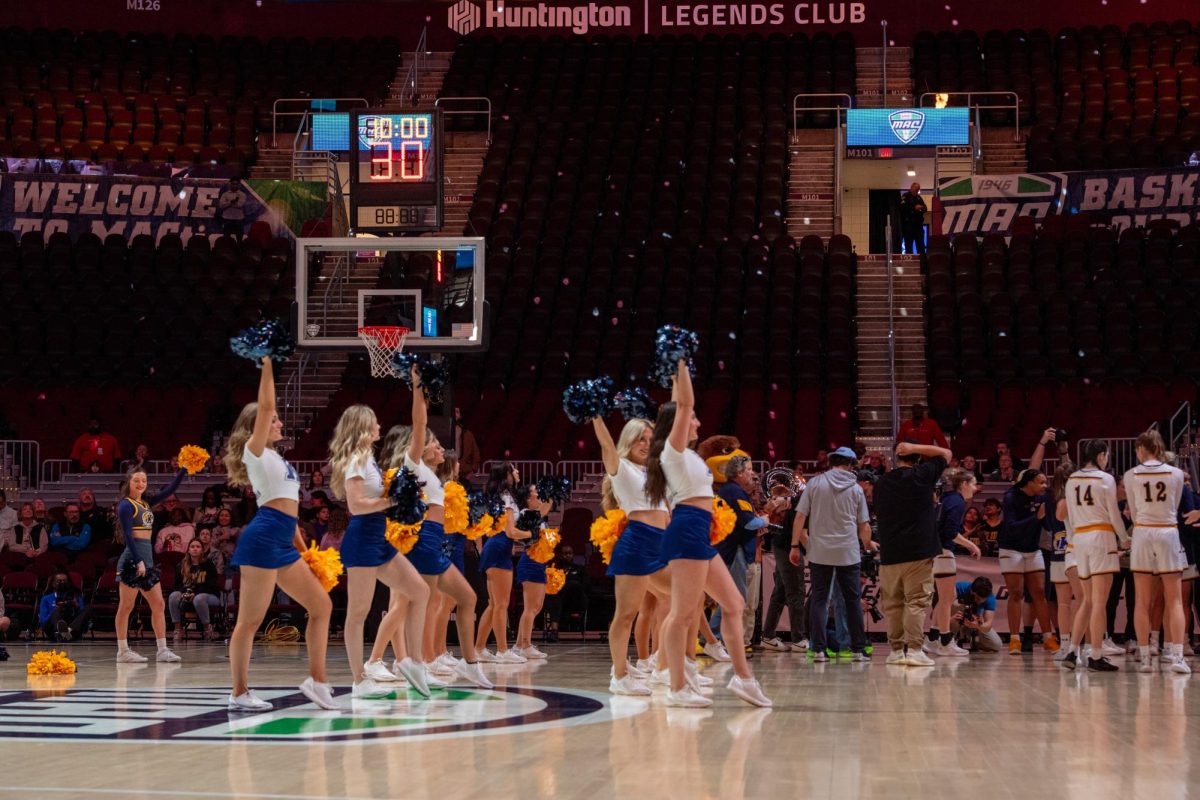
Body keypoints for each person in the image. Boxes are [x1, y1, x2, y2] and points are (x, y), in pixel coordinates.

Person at [645, 359, 771, 708]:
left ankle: (744, 680)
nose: (697, 421)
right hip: (686, 531)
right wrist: (682, 362)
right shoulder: (671, 453)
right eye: (693, 419)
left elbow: (677, 404)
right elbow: (682, 404)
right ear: (677, 426)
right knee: (682, 614)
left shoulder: (684, 455)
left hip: (699, 532)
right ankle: (676, 686)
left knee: (734, 604)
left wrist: (673, 373)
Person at [223, 357, 336, 711]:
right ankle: (239, 692)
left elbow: (290, 514)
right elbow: (268, 403)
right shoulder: (253, 451)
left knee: (321, 605)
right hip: (261, 539)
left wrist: (305, 550)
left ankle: (317, 682)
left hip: (284, 539)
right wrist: (269, 364)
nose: (278, 421)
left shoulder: (277, 458)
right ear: (256, 425)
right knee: (250, 621)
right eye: (272, 419)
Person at [383, 371, 493, 689]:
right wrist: (418, 389)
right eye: (433, 443)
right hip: (425, 539)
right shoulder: (414, 465)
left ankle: (466, 663)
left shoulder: (432, 475)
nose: (438, 446)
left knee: (467, 597)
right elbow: (419, 425)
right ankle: (418, 663)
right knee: (422, 603)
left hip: (434, 540)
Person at [330, 404, 432, 699]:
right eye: (374, 421)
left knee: (420, 591)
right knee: (358, 613)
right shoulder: (356, 460)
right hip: (362, 539)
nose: (379, 425)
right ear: (363, 426)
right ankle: (359, 680)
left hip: (378, 538)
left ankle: (412, 662)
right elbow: (356, 505)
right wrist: (392, 501)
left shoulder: (369, 459)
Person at [591, 415, 671, 694]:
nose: (646, 444)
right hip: (636, 544)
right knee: (626, 614)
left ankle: (664, 666)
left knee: (682, 599)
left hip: (662, 546)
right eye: (641, 438)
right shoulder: (621, 467)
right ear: (629, 440)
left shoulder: (654, 472)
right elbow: (605, 444)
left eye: (650, 440)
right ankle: (620, 676)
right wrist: (596, 415)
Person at [791, 446, 874, 664]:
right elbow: (863, 525)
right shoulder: (856, 490)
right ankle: (857, 650)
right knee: (852, 601)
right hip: (848, 552)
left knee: (819, 600)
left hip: (820, 551)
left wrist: (793, 545)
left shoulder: (815, 483)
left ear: (831, 462)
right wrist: (867, 544)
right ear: (850, 465)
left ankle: (818, 650)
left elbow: (800, 517)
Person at [872, 441, 953, 666]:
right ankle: (915, 649)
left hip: (889, 552)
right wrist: (917, 446)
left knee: (893, 604)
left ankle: (896, 651)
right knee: (916, 602)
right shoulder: (922, 475)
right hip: (918, 551)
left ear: (896, 460)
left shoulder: (881, 483)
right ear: (917, 459)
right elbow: (946, 453)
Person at [1124, 430, 1192, 674]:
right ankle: (1177, 656)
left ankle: (1144, 658)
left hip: (1142, 532)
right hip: (1167, 531)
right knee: (1174, 599)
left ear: (1142, 448)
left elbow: (1132, 508)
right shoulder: (1176, 473)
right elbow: (1174, 506)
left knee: (1142, 600)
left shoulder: (1130, 474)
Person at [1059, 440, 1128, 672]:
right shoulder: (1105, 478)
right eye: (1106, 455)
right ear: (1100, 455)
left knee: (1086, 601)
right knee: (1099, 601)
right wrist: (1124, 538)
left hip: (1079, 539)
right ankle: (1096, 655)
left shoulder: (1072, 480)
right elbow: (1114, 514)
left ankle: (1072, 650)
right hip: (1101, 536)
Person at [114, 463, 187, 664]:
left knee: (158, 604)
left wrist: (184, 469)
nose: (140, 484)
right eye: (136, 480)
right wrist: (138, 560)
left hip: (147, 559)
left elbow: (170, 490)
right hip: (133, 559)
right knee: (126, 606)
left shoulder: (147, 503)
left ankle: (162, 650)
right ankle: (123, 651)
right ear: (129, 482)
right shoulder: (125, 505)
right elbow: (128, 536)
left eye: (144, 481)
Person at [999, 429, 1060, 654]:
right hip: (1011, 548)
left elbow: (1043, 521)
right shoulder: (1011, 497)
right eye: (1041, 482)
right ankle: (1014, 639)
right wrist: (1037, 518)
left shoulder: (1040, 497)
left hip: (1032, 549)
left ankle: (1047, 637)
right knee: (1015, 593)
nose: (1045, 486)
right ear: (1029, 482)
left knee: (1039, 594)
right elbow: (1012, 527)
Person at [713, 457, 778, 649]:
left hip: (734, 548)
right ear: (739, 473)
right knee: (736, 598)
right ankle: (717, 637)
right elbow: (749, 522)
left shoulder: (732, 491)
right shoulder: (735, 492)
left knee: (733, 597)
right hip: (735, 549)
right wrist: (765, 520)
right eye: (749, 469)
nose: (752, 473)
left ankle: (714, 635)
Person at [475, 463, 531, 663]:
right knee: (501, 604)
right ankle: (502, 650)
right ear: (506, 475)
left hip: (497, 548)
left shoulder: (505, 496)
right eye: (513, 470)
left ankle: (479, 649)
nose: (517, 472)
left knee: (494, 604)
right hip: (499, 548)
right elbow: (510, 532)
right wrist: (531, 534)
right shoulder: (506, 497)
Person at [926, 467, 982, 656]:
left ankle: (933, 639)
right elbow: (950, 531)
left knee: (945, 598)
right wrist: (971, 545)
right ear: (964, 484)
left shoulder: (948, 498)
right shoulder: (957, 502)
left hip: (935, 549)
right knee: (947, 598)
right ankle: (945, 641)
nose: (975, 488)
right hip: (942, 551)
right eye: (973, 484)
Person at [760, 484, 809, 653]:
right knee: (796, 591)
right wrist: (815, 553)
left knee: (780, 592)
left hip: (781, 545)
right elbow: (802, 534)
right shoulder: (805, 500)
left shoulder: (799, 499)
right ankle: (798, 639)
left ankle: (768, 636)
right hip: (789, 548)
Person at [513, 485, 554, 660]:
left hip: (540, 563)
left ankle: (519, 645)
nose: (539, 497)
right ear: (528, 499)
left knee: (536, 607)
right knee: (531, 608)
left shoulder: (538, 516)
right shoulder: (525, 514)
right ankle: (526, 645)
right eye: (535, 495)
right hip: (530, 562)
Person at [169, 539, 222, 643]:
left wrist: (195, 593)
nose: (195, 549)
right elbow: (177, 585)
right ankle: (178, 629)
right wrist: (184, 593)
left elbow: (211, 585)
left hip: (210, 596)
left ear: (202, 550)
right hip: (188, 595)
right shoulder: (182, 565)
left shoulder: (208, 565)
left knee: (199, 598)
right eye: (192, 547)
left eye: (198, 547)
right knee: (173, 596)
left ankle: (207, 629)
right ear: (188, 550)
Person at [38, 572, 91, 642]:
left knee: (88, 608)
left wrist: (77, 606)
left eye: (65, 581)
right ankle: (62, 633)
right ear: (53, 583)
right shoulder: (46, 598)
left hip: (73, 631)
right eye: (59, 581)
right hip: (54, 630)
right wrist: (55, 610)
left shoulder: (76, 597)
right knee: (55, 613)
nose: (62, 583)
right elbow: (43, 621)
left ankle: (67, 632)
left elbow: (82, 617)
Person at [954, 577, 1001, 652]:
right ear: (972, 590)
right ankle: (948, 639)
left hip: (973, 624)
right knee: (954, 604)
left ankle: (972, 642)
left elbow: (988, 625)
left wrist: (978, 626)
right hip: (955, 619)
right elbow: (941, 609)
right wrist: (953, 617)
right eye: (976, 597)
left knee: (996, 645)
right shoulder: (960, 587)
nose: (976, 600)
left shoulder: (990, 598)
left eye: (980, 599)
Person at [899, 182, 928, 256]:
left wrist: (921, 207)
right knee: (908, 246)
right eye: (915, 189)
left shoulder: (919, 198)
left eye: (918, 190)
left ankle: (922, 263)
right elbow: (902, 208)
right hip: (908, 226)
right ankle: (910, 264)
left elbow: (925, 208)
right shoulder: (905, 196)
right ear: (911, 188)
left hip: (918, 226)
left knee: (921, 246)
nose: (917, 191)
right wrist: (914, 208)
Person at [454, 407, 482, 478]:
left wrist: (473, 470)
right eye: (453, 411)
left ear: (460, 415)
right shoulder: (444, 431)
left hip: (464, 473)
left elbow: (476, 454)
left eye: (457, 412)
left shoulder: (467, 434)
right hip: (447, 472)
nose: (454, 414)